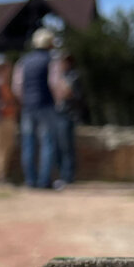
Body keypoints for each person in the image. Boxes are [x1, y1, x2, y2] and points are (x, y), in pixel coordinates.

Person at [12, 28, 64, 189]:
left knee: (28, 143)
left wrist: (25, 101)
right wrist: (58, 101)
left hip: (28, 107)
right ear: (50, 44)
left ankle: (30, 180)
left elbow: (17, 86)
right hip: (46, 105)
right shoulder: (52, 60)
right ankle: (44, 181)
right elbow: (54, 84)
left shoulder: (23, 61)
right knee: (48, 142)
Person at [52, 53, 85, 189]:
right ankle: (63, 175)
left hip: (68, 115)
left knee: (66, 148)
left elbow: (73, 95)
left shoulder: (73, 76)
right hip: (59, 115)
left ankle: (67, 177)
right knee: (59, 147)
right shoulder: (61, 76)